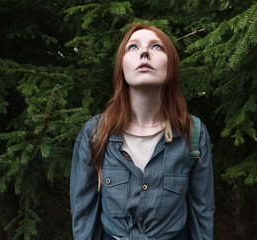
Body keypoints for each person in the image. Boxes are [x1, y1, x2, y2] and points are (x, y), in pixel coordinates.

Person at [70, 23, 215, 240]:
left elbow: (202, 213)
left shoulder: (193, 133)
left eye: (157, 47)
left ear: (171, 66)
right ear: (121, 67)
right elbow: (83, 215)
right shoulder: (95, 133)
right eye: (133, 47)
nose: (145, 52)